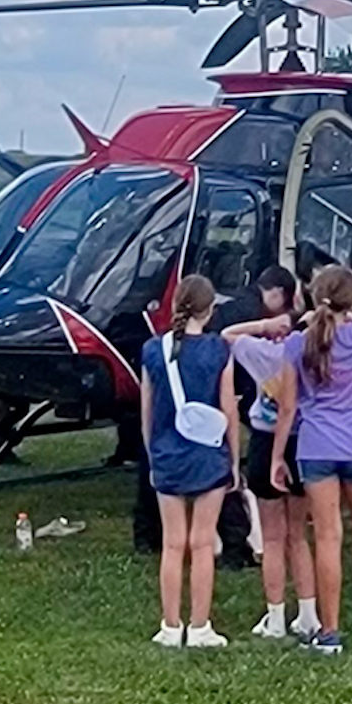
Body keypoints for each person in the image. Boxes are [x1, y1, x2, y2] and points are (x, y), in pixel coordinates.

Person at [249, 267, 352, 653]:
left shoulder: (298, 344)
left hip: (317, 447)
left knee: (327, 537)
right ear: (349, 298)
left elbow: (288, 407)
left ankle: (330, 631)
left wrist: (276, 457)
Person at [143, 276, 240, 650]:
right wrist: (232, 458)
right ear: (210, 309)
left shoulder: (153, 350)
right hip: (207, 456)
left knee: (172, 544)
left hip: (167, 452)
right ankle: (200, 626)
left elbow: (147, 413)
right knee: (202, 544)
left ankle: (170, 625)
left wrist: (153, 455)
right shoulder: (219, 350)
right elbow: (227, 406)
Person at [221, 282, 320, 642]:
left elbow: (228, 334)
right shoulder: (313, 351)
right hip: (304, 441)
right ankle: (308, 613)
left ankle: (276, 615)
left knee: (273, 536)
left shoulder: (263, 352)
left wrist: (264, 326)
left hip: (266, 442)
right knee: (300, 534)